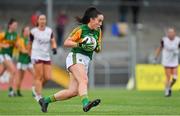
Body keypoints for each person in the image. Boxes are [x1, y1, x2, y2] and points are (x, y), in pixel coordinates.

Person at [38, 7, 104, 113]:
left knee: (72, 92)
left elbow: (98, 49)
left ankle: (45, 100)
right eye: (99, 20)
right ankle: (85, 103)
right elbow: (66, 42)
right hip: (76, 56)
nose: (101, 23)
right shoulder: (81, 29)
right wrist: (80, 44)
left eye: (102, 21)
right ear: (92, 19)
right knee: (84, 80)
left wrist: (95, 46)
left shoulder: (98, 31)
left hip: (85, 60)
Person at [29, 14, 57, 102]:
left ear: (46, 21)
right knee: (39, 76)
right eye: (41, 19)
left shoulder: (49, 31)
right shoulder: (33, 31)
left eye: (44, 19)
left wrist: (54, 48)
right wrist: (29, 54)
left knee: (48, 77)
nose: (42, 21)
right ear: (37, 21)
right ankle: (39, 97)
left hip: (46, 56)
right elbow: (29, 43)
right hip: (36, 55)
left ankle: (35, 88)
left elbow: (53, 41)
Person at [154, 28, 180, 97]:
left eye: (172, 33)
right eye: (169, 33)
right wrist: (156, 57)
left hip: (174, 61)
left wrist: (177, 52)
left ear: (174, 33)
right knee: (168, 77)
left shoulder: (178, 40)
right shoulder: (164, 40)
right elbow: (160, 48)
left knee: (175, 78)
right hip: (167, 61)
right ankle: (166, 91)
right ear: (167, 33)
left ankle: (169, 87)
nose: (171, 34)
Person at [0, 18, 18, 97]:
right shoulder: (4, 34)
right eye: (14, 25)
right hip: (3, 54)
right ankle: (10, 91)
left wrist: (17, 46)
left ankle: (11, 91)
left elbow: (16, 45)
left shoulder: (15, 35)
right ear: (9, 25)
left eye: (16, 25)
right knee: (13, 71)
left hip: (9, 56)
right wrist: (3, 45)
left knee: (2, 72)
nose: (15, 27)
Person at [16, 26, 34, 96]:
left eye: (28, 30)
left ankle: (34, 91)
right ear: (23, 32)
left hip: (28, 61)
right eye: (26, 30)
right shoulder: (20, 39)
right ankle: (17, 91)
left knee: (35, 75)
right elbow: (22, 50)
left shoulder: (30, 39)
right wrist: (30, 52)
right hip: (22, 60)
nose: (28, 32)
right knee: (21, 77)